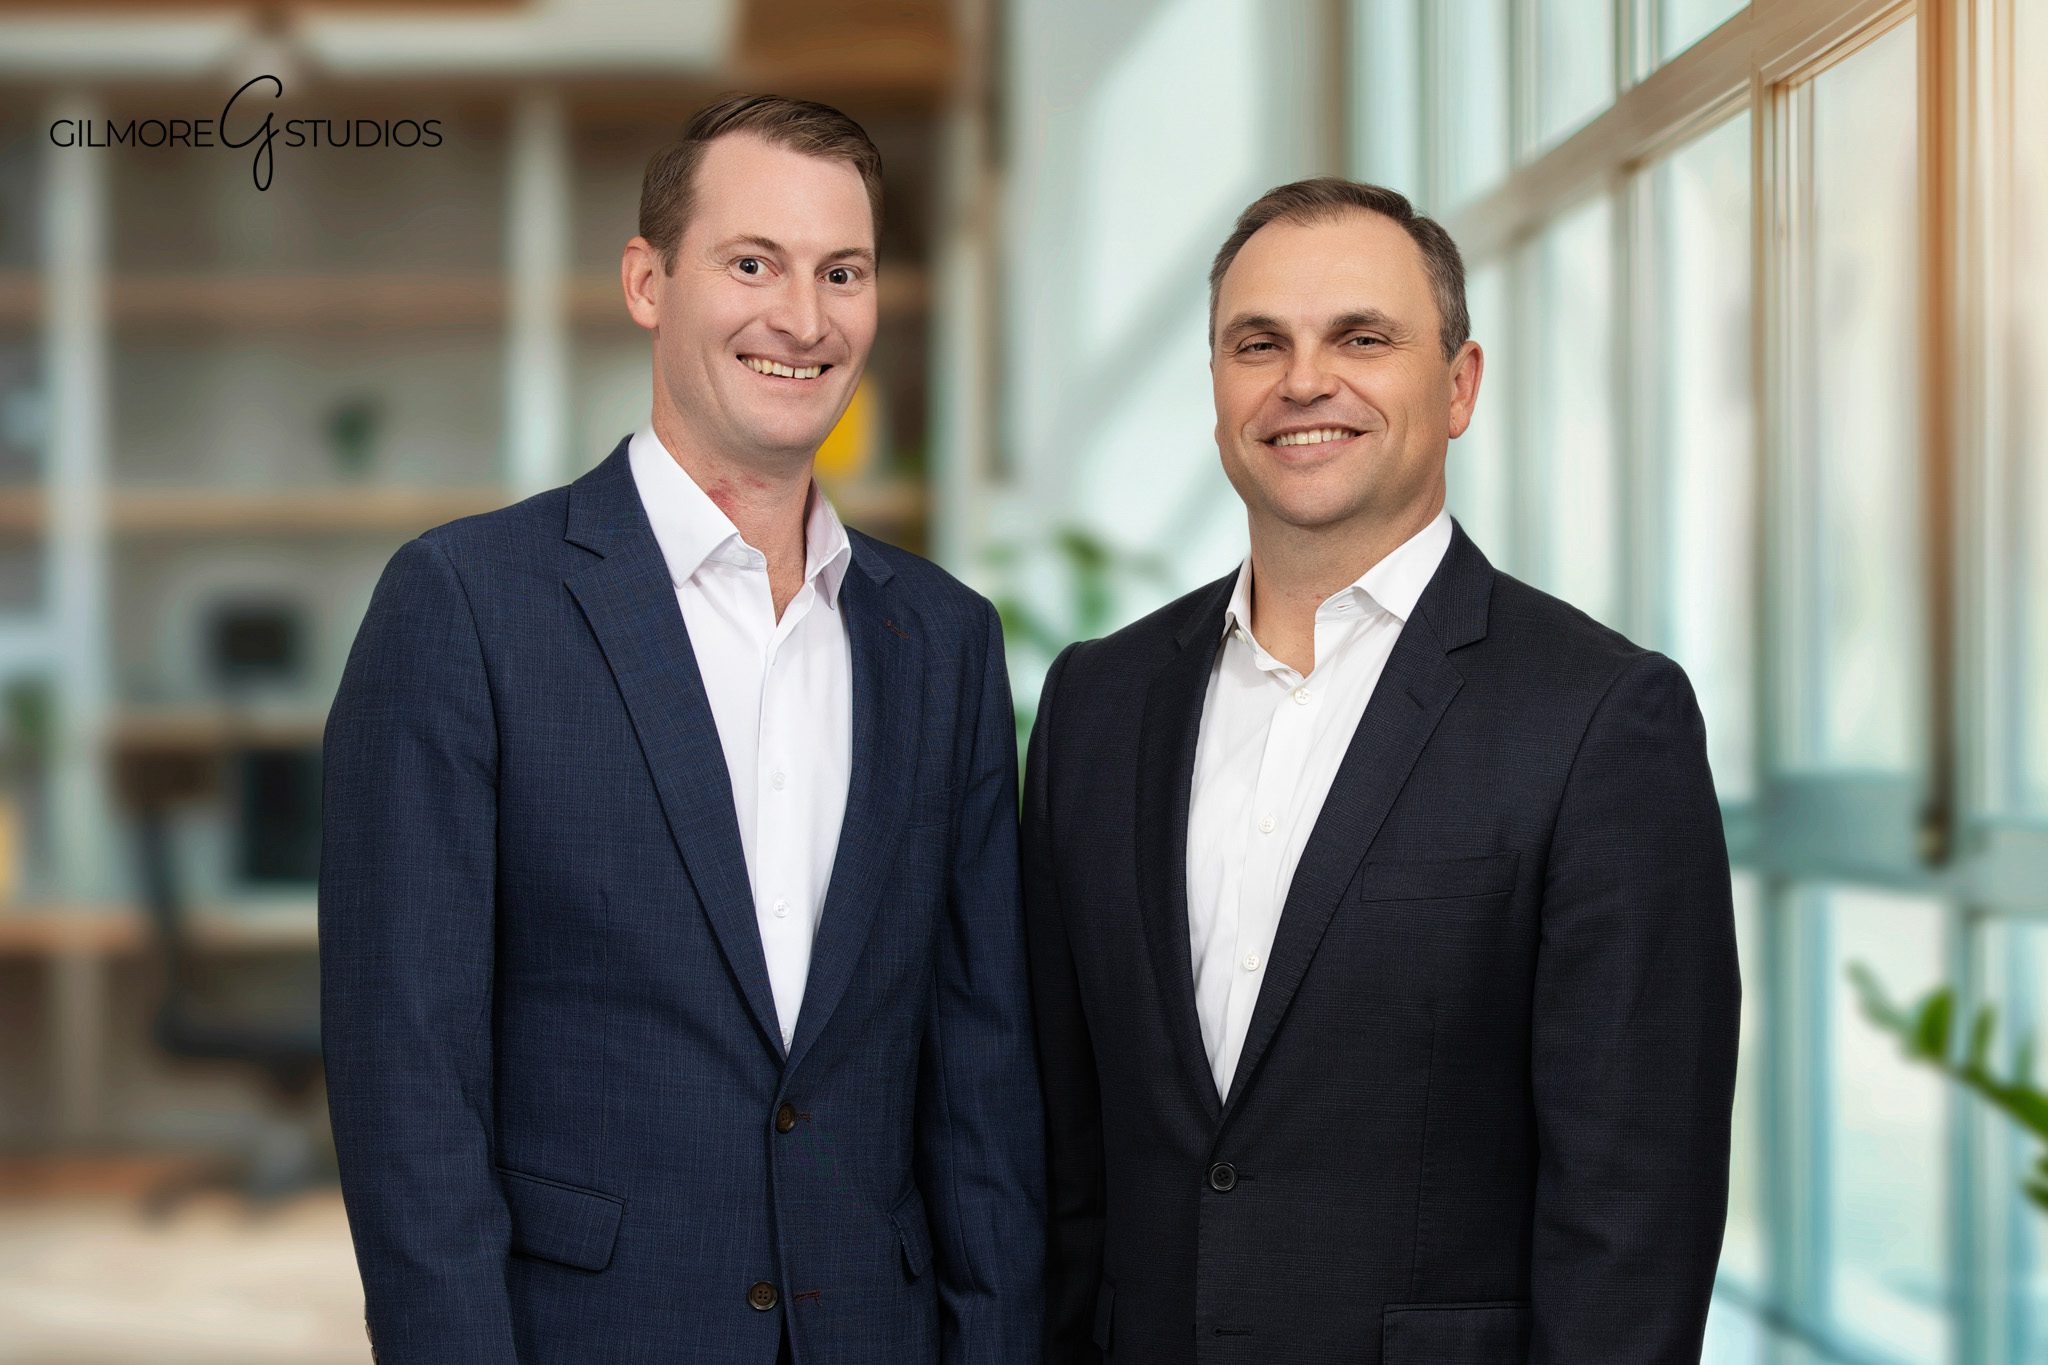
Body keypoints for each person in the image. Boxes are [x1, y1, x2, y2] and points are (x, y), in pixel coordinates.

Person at [321, 93, 1043, 1365]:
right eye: (751, 263)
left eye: (844, 273)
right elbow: (406, 1085)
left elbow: (977, 1075)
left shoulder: (943, 639)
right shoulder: (465, 606)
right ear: (648, 282)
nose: (802, 319)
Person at [1023, 177, 1738, 1364]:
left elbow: (1631, 1218)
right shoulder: (1097, 702)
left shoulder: (1601, 717)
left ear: (1456, 386)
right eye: (1259, 344)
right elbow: (1057, 1148)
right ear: (1216, 393)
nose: (1304, 381)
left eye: (1361, 337)